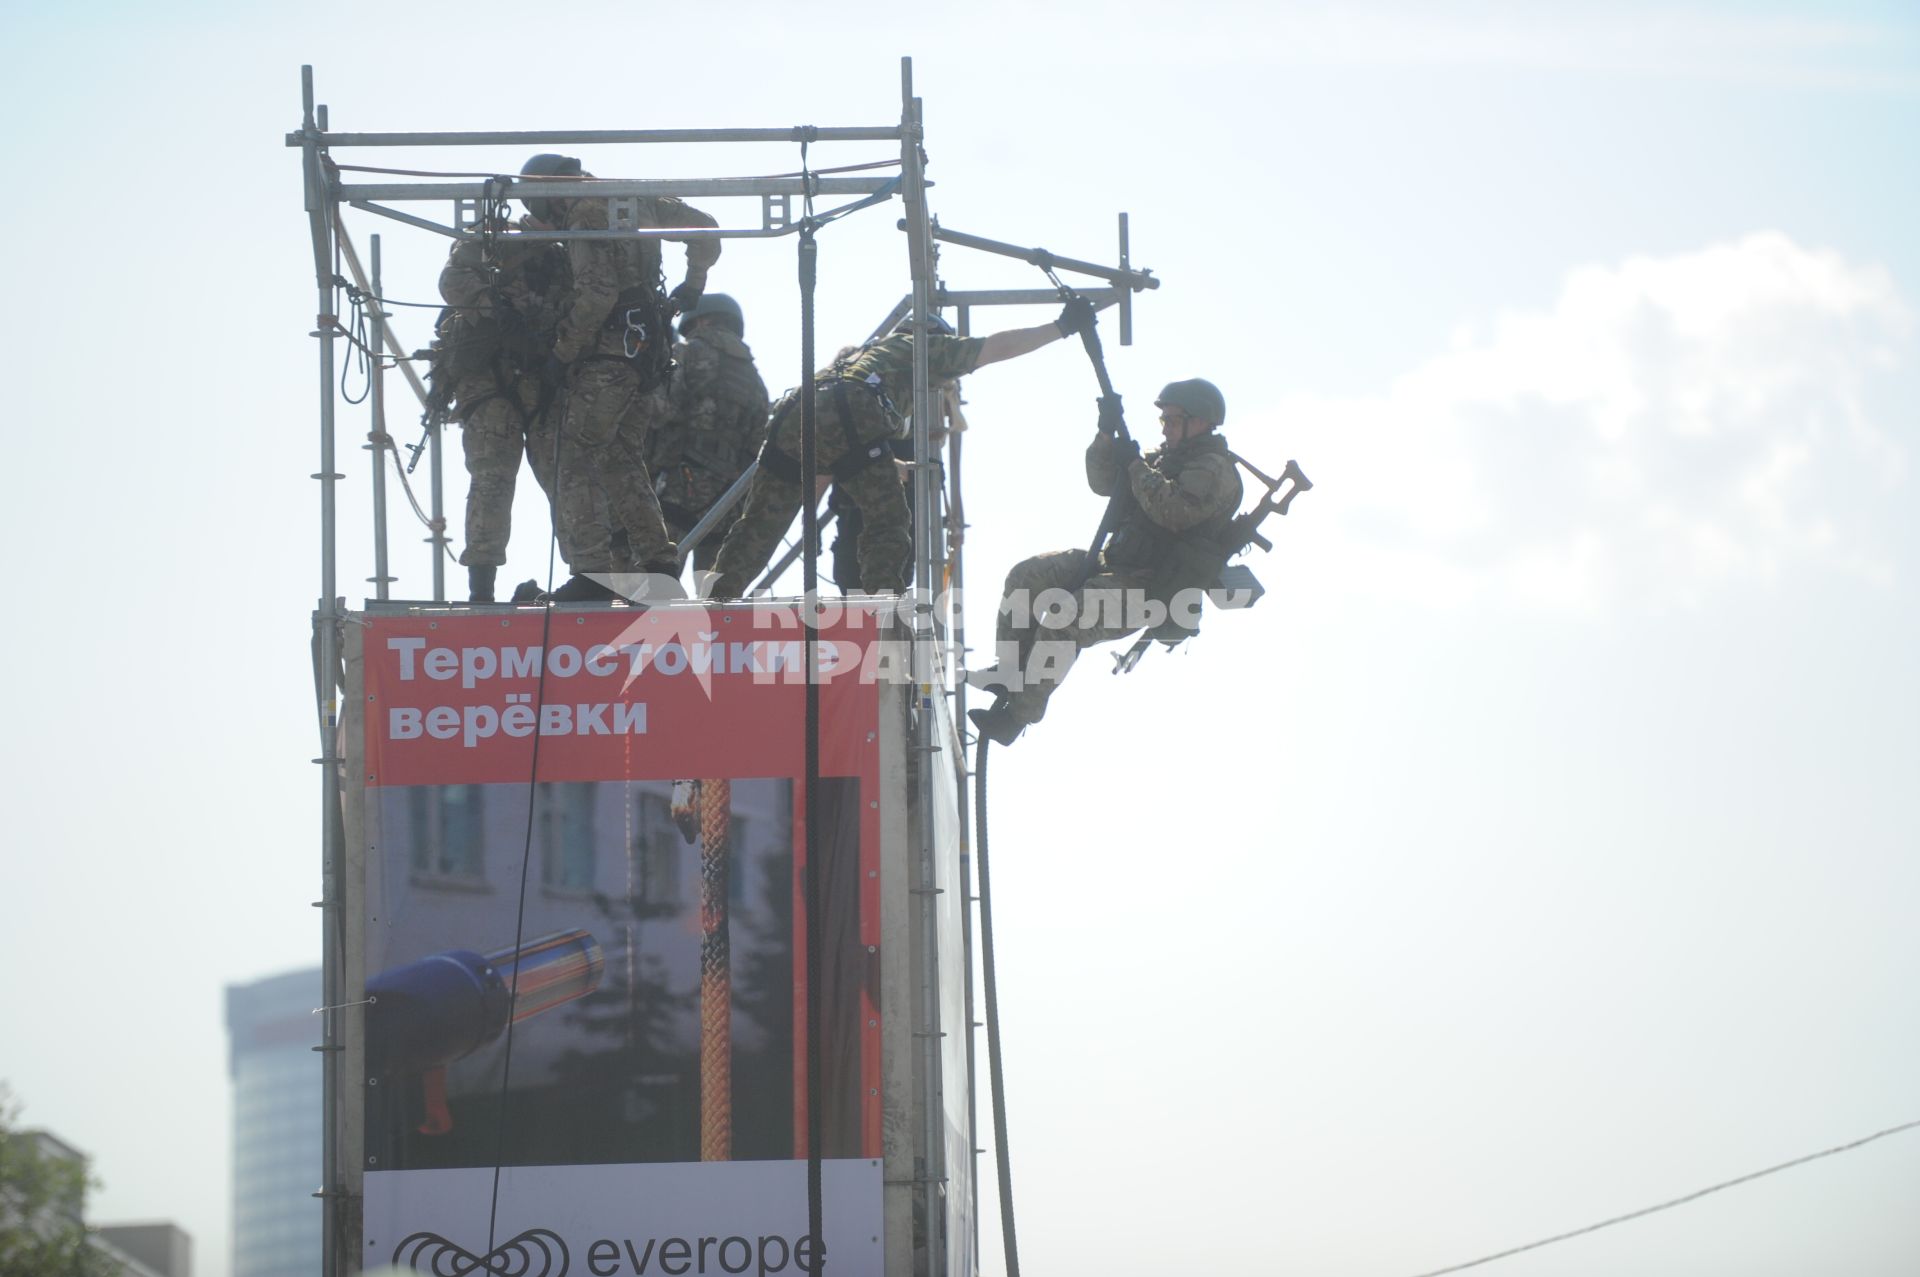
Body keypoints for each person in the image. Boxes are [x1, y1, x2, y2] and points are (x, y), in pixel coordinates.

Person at [708, 302, 1095, 599]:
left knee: (758, 527)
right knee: (889, 524)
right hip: (853, 412)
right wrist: (1060, 328)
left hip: (793, 414)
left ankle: (714, 606)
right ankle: (882, 613)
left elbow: (834, 450)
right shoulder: (923, 346)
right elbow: (995, 348)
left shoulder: (860, 356)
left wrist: (882, 469)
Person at [967, 378, 1244, 746]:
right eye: (1163, 421)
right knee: (1026, 577)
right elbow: (1103, 483)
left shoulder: (1214, 470)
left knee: (1065, 619)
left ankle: (1018, 716)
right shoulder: (1164, 459)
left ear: (1201, 422)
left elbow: (1172, 512)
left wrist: (1135, 466)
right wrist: (1105, 436)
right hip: (1114, 564)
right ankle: (1009, 669)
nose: (1166, 429)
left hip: (1152, 588)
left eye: (1173, 420)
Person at [522, 152, 722, 602]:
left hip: (608, 353)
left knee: (574, 450)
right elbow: (706, 229)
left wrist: (563, 351)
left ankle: (591, 573)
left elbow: (596, 294)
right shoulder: (633, 198)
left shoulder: (582, 212)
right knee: (619, 456)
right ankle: (659, 564)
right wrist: (693, 284)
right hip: (648, 353)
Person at [431, 211, 573, 603]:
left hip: (542, 379)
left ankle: (587, 575)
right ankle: (482, 586)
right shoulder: (492, 240)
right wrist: (494, 309)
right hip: (491, 378)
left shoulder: (565, 253)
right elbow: (452, 281)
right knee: (492, 480)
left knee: (566, 480)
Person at [647, 293, 770, 574]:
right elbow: (756, 447)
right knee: (713, 595)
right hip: (726, 498)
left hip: (677, 486)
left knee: (654, 581)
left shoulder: (687, 352)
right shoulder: (755, 380)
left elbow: (660, 411)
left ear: (699, 320)